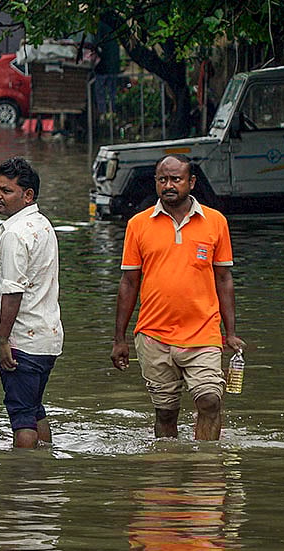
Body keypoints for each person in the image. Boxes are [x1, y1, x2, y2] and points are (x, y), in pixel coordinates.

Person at [111, 154, 246, 441]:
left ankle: (206, 463)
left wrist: (231, 332)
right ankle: (167, 464)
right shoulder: (138, 224)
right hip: (154, 335)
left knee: (210, 400)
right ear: (156, 182)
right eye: (162, 179)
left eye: (176, 179)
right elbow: (129, 282)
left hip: (203, 333)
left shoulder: (215, 221)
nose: (169, 185)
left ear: (191, 182)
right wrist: (119, 339)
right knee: (165, 413)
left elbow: (224, 279)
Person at [0, 157, 64, 448]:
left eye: (6, 191)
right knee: (34, 409)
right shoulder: (42, 225)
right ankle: (44, 467)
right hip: (47, 339)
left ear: (28, 195)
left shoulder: (15, 234)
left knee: (22, 418)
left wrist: (3, 340)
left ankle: (24, 474)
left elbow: (12, 292)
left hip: (22, 341)